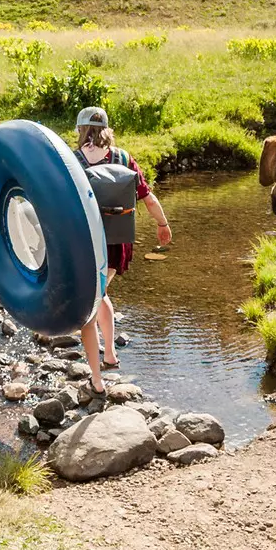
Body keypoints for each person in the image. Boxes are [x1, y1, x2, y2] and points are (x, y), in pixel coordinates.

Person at [74, 106, 171, 393]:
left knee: (88, 311)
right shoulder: (124, 158)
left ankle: (97, 379)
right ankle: (111, 355)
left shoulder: (72, 161)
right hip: (117, 246)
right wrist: (163, 225)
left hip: (85, 245)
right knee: (101, 292)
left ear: (81, 130)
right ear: (106, 129)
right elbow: (148, 198)